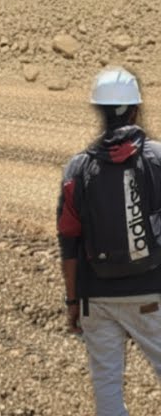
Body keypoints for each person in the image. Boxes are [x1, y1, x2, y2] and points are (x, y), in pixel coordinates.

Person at [57, 67, 161, 415]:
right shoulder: (158, 159)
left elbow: (69, 241)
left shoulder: (77, 169)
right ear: (134, 110)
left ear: (98, 111)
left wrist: (73, 301)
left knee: (107, 386)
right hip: (151, 291)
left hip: (96, 298)